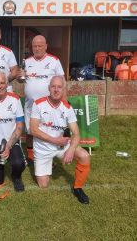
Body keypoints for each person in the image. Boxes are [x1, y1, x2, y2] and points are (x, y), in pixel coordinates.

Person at [30, 76, 91, 204]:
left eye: (59, 87)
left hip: (61, 146)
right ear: (49, 88)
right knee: (43, 185)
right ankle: (49, 162)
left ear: (63, 89)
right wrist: (55, 140)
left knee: (84, 156)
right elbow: (33, 130)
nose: (56, 90)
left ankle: (78, 188)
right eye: (53, 87)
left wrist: (71, 150)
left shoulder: (67, 108)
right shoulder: (38, 104)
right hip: (43, 148)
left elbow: (76, 133)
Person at [17, 35, 65, 164]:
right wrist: (19, 76)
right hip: (30, 104)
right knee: (30, 130)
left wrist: (63, 103)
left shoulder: (54, 61)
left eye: (40, 46)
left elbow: (62, 83)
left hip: (48, 105)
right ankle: (31, 156)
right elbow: (20, 80)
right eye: (34, 46)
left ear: (46, 46)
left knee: (47, 130)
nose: (37, 48)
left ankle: (49, 156)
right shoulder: (26, 62)